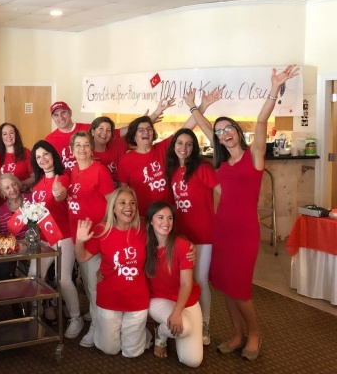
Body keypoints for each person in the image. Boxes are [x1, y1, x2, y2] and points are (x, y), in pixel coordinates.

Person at [187, 65, 299, 361]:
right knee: (225, 285)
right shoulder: (221, 163)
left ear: (238, 131)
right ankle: (237, 334)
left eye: (229, 128)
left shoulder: (254, 157)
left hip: (245, 233)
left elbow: (262, 121)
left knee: (240, 289)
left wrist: (274, 88)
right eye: (220, 131)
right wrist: (193, 107)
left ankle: (255, 333)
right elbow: (206, 127)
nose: (224, 133)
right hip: (221, 230)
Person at [74, 188, 150, 358]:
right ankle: (119, 330)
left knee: (132, 353)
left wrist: (188, 246)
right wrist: (79, 241)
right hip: (109, 298)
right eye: (122, 203)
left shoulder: (143, 228)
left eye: (132, 203)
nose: (128, 207)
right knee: (109, 349)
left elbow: (168, 235)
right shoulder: (102, 230)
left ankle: (141, 332)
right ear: (113, 208)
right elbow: (82, 257)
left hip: (137, 298)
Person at [116, 93, 217, 219]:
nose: (146, 132)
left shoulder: (163, 148)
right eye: (141, 130)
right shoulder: (125, 160)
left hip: (168, 217)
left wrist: (203, 106)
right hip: (143, 217)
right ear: (134, 135)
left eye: (149, 129)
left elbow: (187, 127)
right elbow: (122, 193)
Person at [165, 127, 219, 345]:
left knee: (200, 280)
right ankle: (187, 317)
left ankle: (205, 324)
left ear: (194, 148)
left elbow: (224, 192)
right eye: (180, 143)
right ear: (174, 146)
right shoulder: (172, 170)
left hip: (203, 234)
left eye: (189, 144)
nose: (184, 148)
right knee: (182, 280)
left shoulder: (203, 168)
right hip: (181, 235)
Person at [29, 140, 82, 339]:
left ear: (53, 155)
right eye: (38, 157)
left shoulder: (63, 178)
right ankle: (37, 316)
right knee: (34, 276)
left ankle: (76, 317)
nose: (43, 159)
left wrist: (58, 193)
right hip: (44, 238)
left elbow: (61, 195)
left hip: (64, 236)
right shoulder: (37, 184)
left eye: (46, 154)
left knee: (63, 279)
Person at [67, 131, 115, 347]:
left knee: (94, 284)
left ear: (91, 148)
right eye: (78, 145)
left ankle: (97, 326)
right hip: (78, 234)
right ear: (72, 150)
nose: (82, 149)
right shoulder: (74, 170)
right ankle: (96, 314)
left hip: (94, 235)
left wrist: (103, 228)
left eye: (86, 144)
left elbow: (112, 202)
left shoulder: (99, 170)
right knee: (86, 281)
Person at [146, 201, 203, 367]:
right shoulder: (145, 244)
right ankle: (162, 335)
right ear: (151, 221)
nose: (166, 222)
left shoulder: (183, 246)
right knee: (184, 328)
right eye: (160, 217)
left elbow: (186, 284)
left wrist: (177, 313)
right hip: (159, 300)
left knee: (193, 361)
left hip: (187, 301)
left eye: (170, 218)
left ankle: (164, 330)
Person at [0, 123, 34, 189]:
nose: (8, 136)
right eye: (5, 134)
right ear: (1, 137)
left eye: (11, 133)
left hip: (24, 193)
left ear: (16, 135)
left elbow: (34, 177)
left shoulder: (26, 152)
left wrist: (20, 184)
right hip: (4, 194)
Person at [89, 116, 127, 184]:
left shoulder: (117, 146)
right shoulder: (85, 153)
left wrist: (141, 121)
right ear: (93, 132)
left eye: (108, 130)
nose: (104, 132)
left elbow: (132, 130)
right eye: (101, 128)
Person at [0, 173, 30, 239]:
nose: (12, 189)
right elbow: (4, 236)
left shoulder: (31, 199)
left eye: (14, 184)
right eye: (7, 188)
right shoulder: (1, 211)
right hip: (15, 244)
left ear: (18, 184)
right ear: (3, 193)